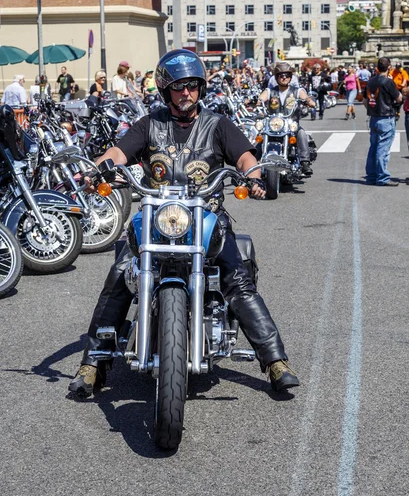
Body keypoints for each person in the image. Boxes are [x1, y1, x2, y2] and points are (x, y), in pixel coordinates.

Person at [68, 49, 300, 398]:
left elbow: (244, 154)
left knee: (236, 278)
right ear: (166, 90)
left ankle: (275, 360)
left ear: (200, 88)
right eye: (178, 87)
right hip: (157, 215)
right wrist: (99, 166)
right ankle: (93, 363)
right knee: (120, 274)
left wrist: (253, 175)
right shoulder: (150, 124)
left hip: (206, 216)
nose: (186, 93)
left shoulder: (218, 125)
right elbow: (119, 151)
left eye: (192, 85)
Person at [258, 61, 316, 177]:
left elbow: (306, 98)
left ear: (290, 77)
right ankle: (250, 166)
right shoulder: (270, 91)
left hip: (290, 125)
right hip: (274, 124)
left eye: (287, 75)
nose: (284, 78)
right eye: (281, 75)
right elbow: (261, 98)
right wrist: (256, 101)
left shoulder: (297, 91)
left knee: (301, 133)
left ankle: (305, 163)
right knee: (259, 137)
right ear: (276, 77)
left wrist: (309, 101)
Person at [363, 57, 403, 186]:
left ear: (377, 68)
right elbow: (399, 99)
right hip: (386, 117)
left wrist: (372, 108)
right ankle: (382, 178)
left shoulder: (370, 82)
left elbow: (365, 101)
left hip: (374, 117)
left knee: (373, 148)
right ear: (389, 67)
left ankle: (371, 176)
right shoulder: (388, 82)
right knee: (383, 149)